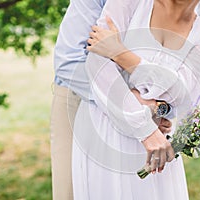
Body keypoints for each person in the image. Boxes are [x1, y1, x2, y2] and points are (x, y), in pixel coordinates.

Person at [72, 0, 200, 199]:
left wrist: (120, 54)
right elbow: (97, 62)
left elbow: (179, 91)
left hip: (159, 141)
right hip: (107, 127)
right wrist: (146, 130)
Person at [51, 0, 173, 199]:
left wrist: (163, 108)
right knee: (72, 191)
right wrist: (130, 101)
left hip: (146, 110)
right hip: (81, 98)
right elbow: (68, 62)